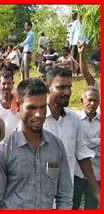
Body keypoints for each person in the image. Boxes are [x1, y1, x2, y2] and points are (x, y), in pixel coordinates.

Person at [0, 78, 73, 209]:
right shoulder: (4, 150)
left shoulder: (57, 146)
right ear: (18, 105)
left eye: (42, 107)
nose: (38, 114)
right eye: (31, 108)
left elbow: (65, 196)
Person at [44, 67, 100, 202]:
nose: (67, 92)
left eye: (69, 87)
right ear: (48, 88)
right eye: (61, 87)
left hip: (65, 198)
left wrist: (97, 193)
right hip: (39, 198)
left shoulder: (73, 119)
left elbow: (81, 153)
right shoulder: (37, 119)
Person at [73, 86, 100, 209]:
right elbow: (75, 144)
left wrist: (84, 144)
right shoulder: (74, 119)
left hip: (96, 175)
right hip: (76, 174)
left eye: (95, 100)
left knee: (91, 208)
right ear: (82, 100)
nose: (92, 103)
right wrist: (99, 141)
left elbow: (82, 146)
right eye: (89, 100)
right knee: (71, 206)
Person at [0, 70, 20, 139]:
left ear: (13, 84)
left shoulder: (19, 102)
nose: (6, 86)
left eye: (9, 83)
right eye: (4, 83)